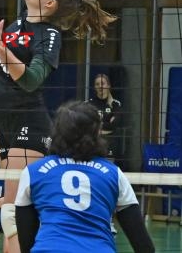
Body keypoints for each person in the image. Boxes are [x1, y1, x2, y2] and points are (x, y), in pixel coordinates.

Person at [0, 0, 119, 253]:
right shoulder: (24, 17)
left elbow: (30, 80)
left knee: (12, 214)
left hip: (27, 121)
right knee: (9, 214)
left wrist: (0, 46)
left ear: (50, 4)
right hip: (2, 119)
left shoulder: (49, 35)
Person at [14, 101, 155, 253]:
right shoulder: (114, 174)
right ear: (97, 133)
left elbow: (26, 243)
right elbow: (144, 246)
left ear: (56, 131)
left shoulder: (33, 172)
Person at [89, 74, 123, 162]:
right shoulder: (88, 104)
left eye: (103, 83)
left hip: (110, 143)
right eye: (97, 84)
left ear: (108, 86)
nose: (100, 86)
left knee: (108, 166)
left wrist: (98, 125)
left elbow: (115, 125)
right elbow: (88, 126)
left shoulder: (115, 104)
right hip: (93, 143)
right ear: (94, 87)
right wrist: (107, 123)